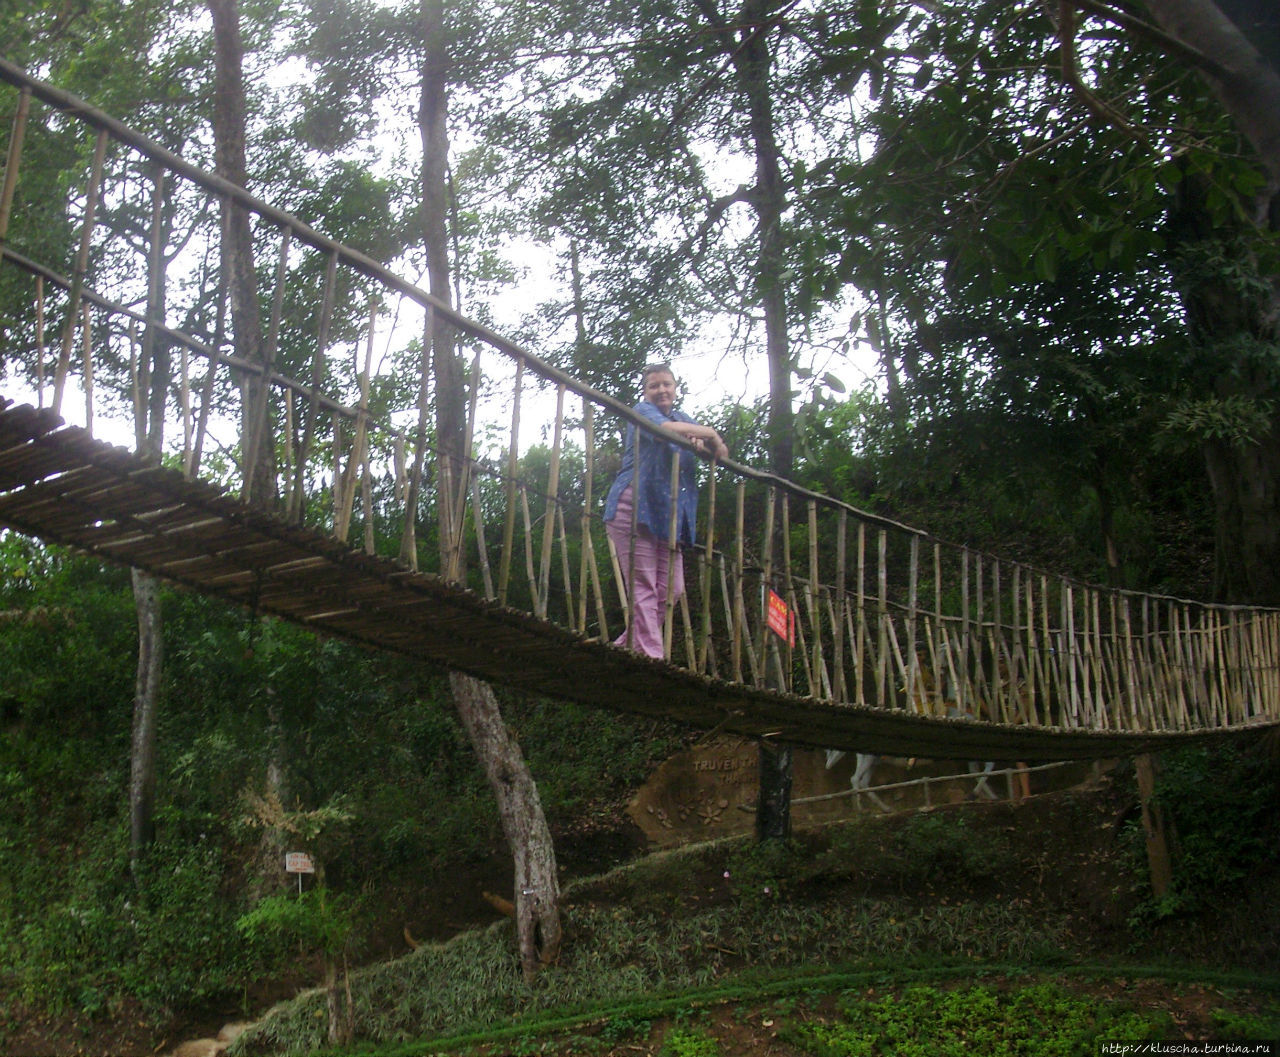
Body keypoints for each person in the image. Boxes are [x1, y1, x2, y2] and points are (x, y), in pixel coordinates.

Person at [604, 363, 728, 659]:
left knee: (672, 589)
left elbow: (720, 455)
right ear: (645, 392)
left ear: (675, 388)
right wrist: (707, 431)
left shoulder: (683, 419)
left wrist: (710, 441)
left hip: (667, 517)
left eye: (666, 384)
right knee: (644, 584)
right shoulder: (642, 412)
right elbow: (664, 431)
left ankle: (627, 646)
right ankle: (651, 657)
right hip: (633, 508)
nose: (661, 390)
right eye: (654, 386)